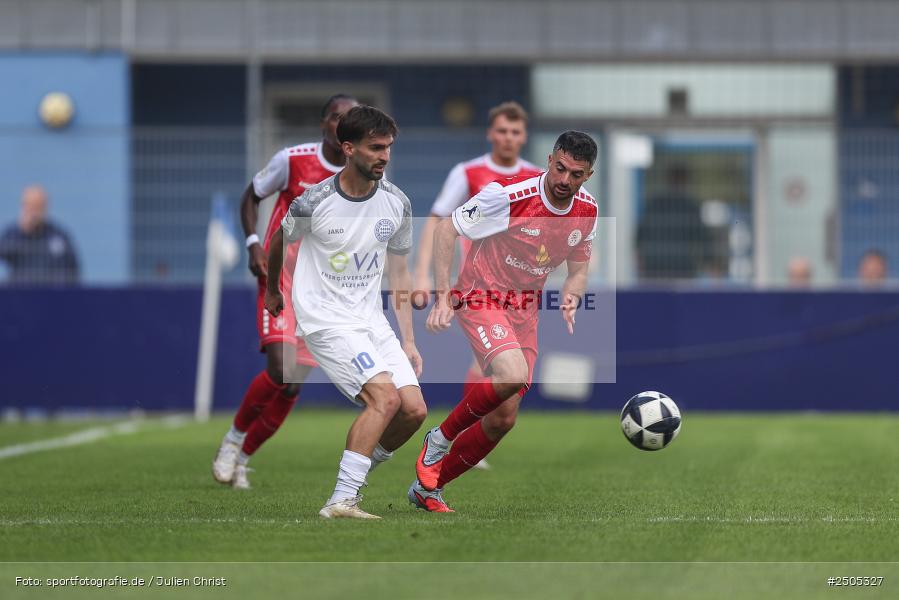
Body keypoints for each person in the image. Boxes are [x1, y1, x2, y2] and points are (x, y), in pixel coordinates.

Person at [412, 131, 599, 512]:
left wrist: (573, 292)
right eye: (560, 169)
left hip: (524, 310)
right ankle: (440, 438)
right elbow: (448, 227)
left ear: (588, 175)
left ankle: (427, 489)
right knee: (512, 372)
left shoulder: (588, 210)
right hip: (480, 294)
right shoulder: (509, 195)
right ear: (549, 160)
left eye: (575, 174)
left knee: (503, 419)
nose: (565, 180)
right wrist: (443, 294)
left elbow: (579, 268)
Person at [266, 105, 427, 519]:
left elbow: (400, 272)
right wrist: (272, 293)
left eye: (389, 147)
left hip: (372, 322)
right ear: (348, 148)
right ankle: (342, 499)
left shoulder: (397, 203)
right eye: (376, 148)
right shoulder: (314, 201)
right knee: (384, 399)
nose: (384, 156)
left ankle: (355, 471)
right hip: (325, 320)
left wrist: (409, 339)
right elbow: (278, 243)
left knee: (413, 411)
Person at [212, 94, 358, 490]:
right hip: (281, 276)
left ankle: (242, 459)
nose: (342, 124)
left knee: (293, 383)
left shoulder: (360, 173)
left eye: (351, 119)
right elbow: (251, 196)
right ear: (324, 124)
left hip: (324, 288)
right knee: (280, 368)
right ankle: (233, 439)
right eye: (336, 118)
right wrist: (254, 242)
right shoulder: (293, 160)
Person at [413, 101, 541, 469]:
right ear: (490, 134)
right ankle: (454, 439)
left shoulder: (537, 176)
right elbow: (437, 223)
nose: (508, 138)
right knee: (489, 362)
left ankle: (461, 436)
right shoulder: (468, 172)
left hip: (516, 290)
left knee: (494, 368)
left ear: (524, 137)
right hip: (473, 282)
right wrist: (422, 275)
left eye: (515, 132)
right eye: (502, 130)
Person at [636, 163, 710, 280]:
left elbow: (640, 236)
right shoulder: (690, 207)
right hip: (681, 269)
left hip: (656, 268)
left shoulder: (655, 204)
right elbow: (703, 239)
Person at [0, 185, 79, 285]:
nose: (34, 212)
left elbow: (73, 271)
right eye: (30, 206)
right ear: (23, 206)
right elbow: (4, 253)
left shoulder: (59, 236)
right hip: (20, 293)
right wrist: (24, 232)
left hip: (51, 294)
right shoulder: (12, 234)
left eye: (38, 206)